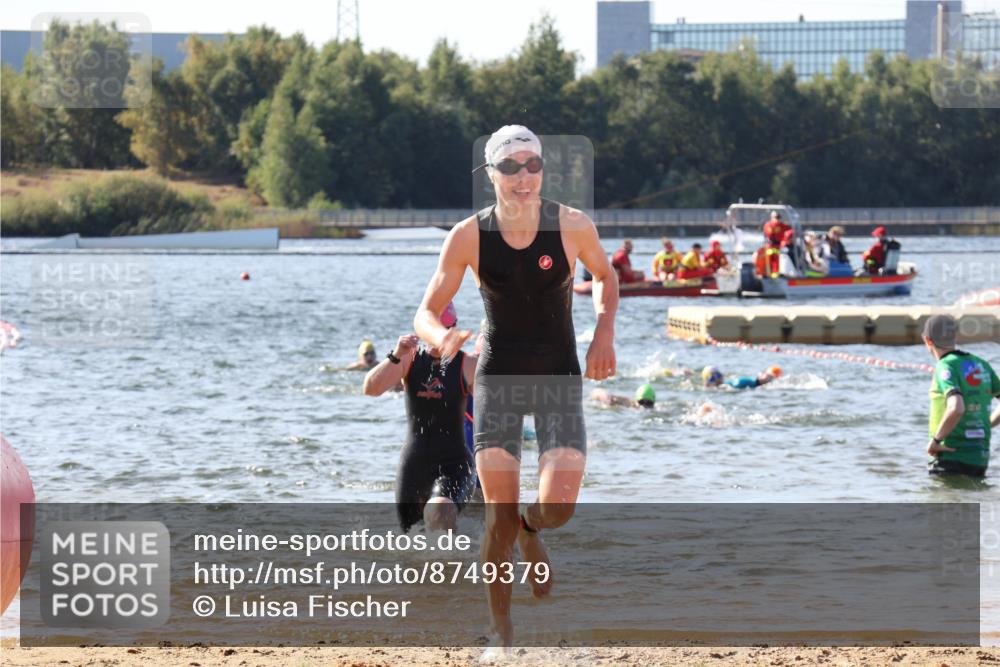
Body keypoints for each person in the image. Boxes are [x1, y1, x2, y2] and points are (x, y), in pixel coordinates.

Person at [413, 124, 617, 652]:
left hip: (556, 378)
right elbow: (426, 311)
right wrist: (440, 338)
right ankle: (501, 632)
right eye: (510, 167)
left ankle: (532, 529)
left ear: (543, 169)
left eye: (532, 165)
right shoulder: (468, 236)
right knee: (496, 519)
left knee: (558, 508)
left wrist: (603, 333)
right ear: (491, 174)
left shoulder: (571, 225)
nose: (523, 177)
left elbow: (605, 275)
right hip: (499, 378)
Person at [363, 302, 479, 532]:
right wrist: (396, 355)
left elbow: (505, 401)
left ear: (453, 330)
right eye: (433, 331)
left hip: (454, 464)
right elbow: (371, 388)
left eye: (445, 330)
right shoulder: (409, 359)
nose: (439, 339)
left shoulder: (467, 364)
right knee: (410, 539)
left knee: (440, 512)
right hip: (413, 464)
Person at [922, 314, 1000, 478]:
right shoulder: (981, 364)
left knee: (944, 495)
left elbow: (956, 407)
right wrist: (986, 425)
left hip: (949, 456)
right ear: (955, 336)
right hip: (979, 458)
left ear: (928, 340)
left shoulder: (945, 365)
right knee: (971, 494)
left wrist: (936, 441)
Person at [761, 210, 790, 278]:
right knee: (771, 261)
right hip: (771, 246)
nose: (777, 219)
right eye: (776, 217)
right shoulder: (768, 225)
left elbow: (790, 232)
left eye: (778, 217)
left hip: (776, 246)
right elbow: (765, 236)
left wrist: (785, 241)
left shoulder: (782, 225)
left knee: (776, 261)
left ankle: (774, 274)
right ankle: (770, 274)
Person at [703, 365, 782, 389]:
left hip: (749, 382)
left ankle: (769, 374)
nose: (721, 376)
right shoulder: (725, 385)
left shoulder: (724, 385)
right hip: (748, 382)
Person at [590, 383, 656, 409]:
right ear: (636, 400)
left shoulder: (657, 408)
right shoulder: (627, 402)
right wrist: (606, 398)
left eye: (649, 403)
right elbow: (596, 391)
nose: (644, 406)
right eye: (641, 402)